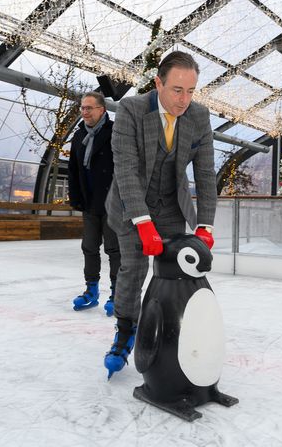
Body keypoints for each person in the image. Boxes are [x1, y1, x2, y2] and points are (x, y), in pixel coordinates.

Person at [103, 51, 217, 378]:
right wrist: (142, 222)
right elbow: (125, 169)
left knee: (175, 272)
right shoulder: (131, 110)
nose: (184, 100)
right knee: (135, 267)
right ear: (158, 83)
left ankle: (169, 332)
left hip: (171, 206)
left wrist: (205, 224)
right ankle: (126, 330)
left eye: (191, 91)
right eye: (177, 90)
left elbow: (206, 174)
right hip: (130, 205)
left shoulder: (198, 117)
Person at [68, 92, 120, 316]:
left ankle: (118, 293)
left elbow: (124, 167)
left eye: (89, 108)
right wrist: (76, 196)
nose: (85, 112)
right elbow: (73, 169)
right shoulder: (79, 136)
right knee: (89, 247)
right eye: (82, 108)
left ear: (102, 110)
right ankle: (91, 290)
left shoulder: (115, 132)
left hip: (111, 202)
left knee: (114, 249)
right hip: (89, 202)